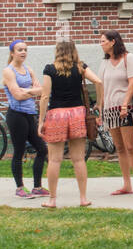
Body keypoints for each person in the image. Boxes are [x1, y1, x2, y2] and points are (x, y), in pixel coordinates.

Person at [38, 39, 101, 208]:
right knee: (79, 159)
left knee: (54, 160)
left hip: (56, 115)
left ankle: (52, 199)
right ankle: (83, 198)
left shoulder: (49, 69)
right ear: (74, 51)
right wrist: (99, 104)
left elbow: (45, 96)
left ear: (57, 52)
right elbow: (98, 81)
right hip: (77, 114)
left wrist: (41, 121)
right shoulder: (80, 67)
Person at [97, 30, 133, 198]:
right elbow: (101, 86)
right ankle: (127, 184)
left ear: (113, 41)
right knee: (119, 148)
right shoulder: (104, 63)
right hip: (110, 109)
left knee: (130, 147)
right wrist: (100, 108)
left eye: (103, 41)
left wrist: (125, 104)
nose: (101, 44)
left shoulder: (129, 58)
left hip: (126, 108)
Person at [1, 40, 48, 198]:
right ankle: (20, 188)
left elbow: (42, 90)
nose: (23, 52)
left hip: (30, 113)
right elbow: (17, 96)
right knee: (19, 151)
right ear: (12, 53)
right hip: (16, 115)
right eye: (19, 50)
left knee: (42, 149)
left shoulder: (29, 70)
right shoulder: (8, 71)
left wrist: (27, 90)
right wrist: (31, 91)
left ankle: (37, 187)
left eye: (25, 50)